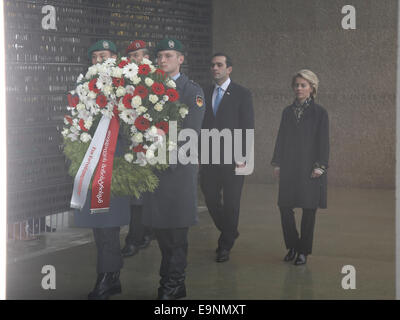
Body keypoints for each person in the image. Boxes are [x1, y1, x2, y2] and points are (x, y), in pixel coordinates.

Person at [141, 38, 205, 300]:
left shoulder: (192, 91)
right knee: (162, 232)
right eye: (160, 56)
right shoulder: (149, 89)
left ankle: (171, 285)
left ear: (181, 59)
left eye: (169, 55)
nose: (162, 60)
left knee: (177, 232)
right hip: (155, 172)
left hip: (177, 170)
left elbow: (190, 131)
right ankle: (174, 285)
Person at [73, 40, 130, 299]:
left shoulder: (128, 87)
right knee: (99, 224)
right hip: (93, 162)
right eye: (94, 56)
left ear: (114, 58)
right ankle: (112, 276)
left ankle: (106, 278)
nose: (98, 60)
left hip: (115, 163)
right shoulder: (85, 88)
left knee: (108, 224)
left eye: (103, 55)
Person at [200, 53, 254, 263]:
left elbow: (247, 126)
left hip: (234, 159)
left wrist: (243, 157)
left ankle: (225, 245)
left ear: (229, 69)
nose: (215, 68)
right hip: (209, 157)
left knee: (231, 202)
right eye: (212, 65)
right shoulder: (204, 92)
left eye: (219, 65)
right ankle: (230, 230)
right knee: (211, 198)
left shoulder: (242, 93)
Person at [271, 69, 329, 266]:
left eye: (303, 85)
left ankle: (304, 251)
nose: (298, 88)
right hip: (288, 166)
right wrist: (277, 162)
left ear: (312, 88)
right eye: (296, 85)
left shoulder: (320, 113)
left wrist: (320, 166)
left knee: (308, 209)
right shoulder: (287, 112)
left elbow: (324, 142)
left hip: (309, 167)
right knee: (284, 206)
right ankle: (293, 245)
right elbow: (281, 138)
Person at [120, 40, 155, 258]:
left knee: (144, 194)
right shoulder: (120, 81)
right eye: (132, 56)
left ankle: (137, 237)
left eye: (139, 55)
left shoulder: (157, 81)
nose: (135, 59)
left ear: (147, 57)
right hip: (126, 144)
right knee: (136, 196)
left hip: (151, 144)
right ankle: (139, 235)